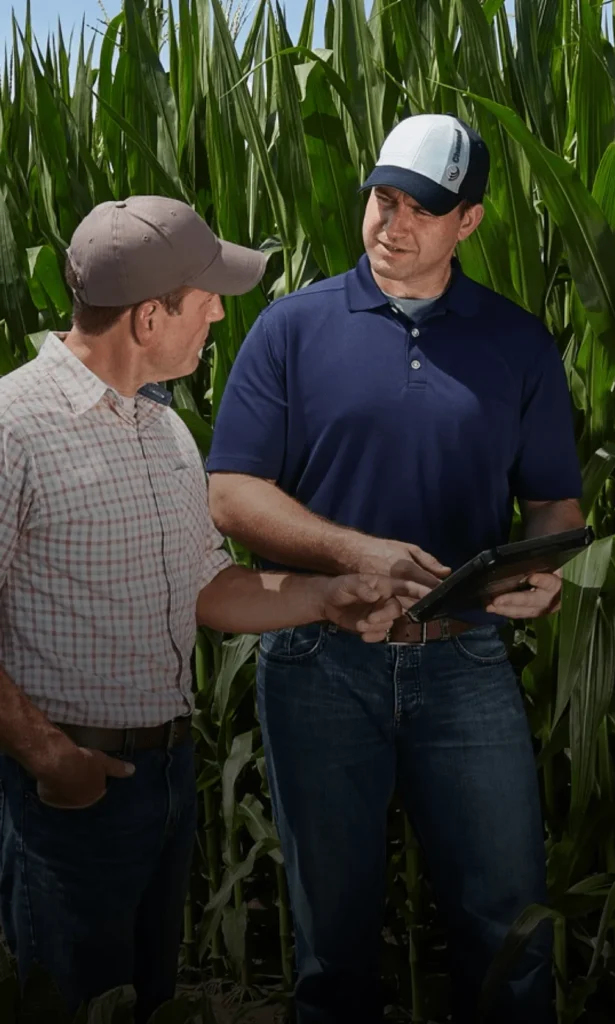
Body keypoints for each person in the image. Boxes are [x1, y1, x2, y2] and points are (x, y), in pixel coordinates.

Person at [0, 196, 426, 1024]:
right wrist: (54, 760)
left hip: (162, 785)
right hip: (65, 797)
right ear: (149, 316)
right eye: (206, 300)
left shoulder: (163, 432)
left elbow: (208, 586)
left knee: (147, 1004)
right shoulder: (13, 428)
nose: (219, 315)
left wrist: (324, 599)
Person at [206, 114, 584, 1023]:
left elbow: (555, 505)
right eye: (384, 198)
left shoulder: (517, 342)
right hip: (317, 662)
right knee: (332, 944)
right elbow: (231, 495)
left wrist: (546, 568)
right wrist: (356, 551)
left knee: (509, 930)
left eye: (424, 208)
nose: (393, 223)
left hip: (467, 664)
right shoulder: (288, 331)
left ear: (471, 223)